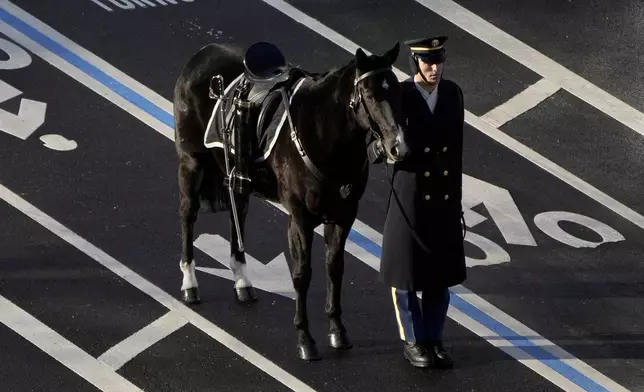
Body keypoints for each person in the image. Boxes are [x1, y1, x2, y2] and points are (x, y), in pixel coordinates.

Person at [367, 35, 466, 369]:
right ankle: (413, 341)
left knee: (439, 277)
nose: (435, 69)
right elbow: (372, 147)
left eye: (439, 62)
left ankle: (434, 339)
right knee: (405, 277)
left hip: (443, 197)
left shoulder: (452, 94)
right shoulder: (400, 96)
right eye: (428, 62)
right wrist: (382, 150)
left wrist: (458, 202)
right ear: (415, 64)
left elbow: (457, 152)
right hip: (409, 198)